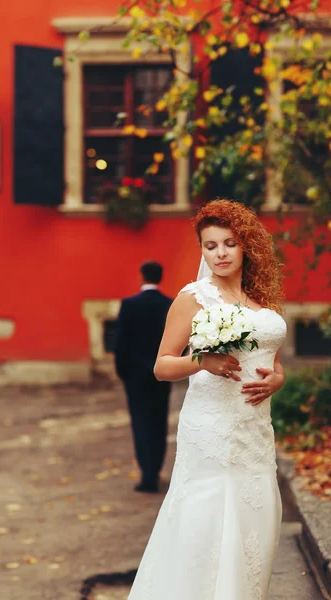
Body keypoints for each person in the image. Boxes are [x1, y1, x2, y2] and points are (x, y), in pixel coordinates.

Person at [127, 199, 287, 600]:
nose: (220, 253)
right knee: (207, 524)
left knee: (256, 522)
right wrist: (202, 360)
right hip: (211, 429)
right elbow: (162, 366)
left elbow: (274, 364)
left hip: (254, 431)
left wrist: (277, 381)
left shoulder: (260, 297)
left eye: (229, 243)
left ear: (245, 245)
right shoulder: (193, 298)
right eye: (210, 245)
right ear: (202, 249)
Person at [114, 261, 173, 493]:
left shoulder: (129, 305)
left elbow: (120, 344)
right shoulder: (169, 305)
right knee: (159, 422)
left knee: (140, 423)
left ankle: (147, 475)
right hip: (162, 374)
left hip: (135, 376)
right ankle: (156, 471)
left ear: (141, 276)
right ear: (161, 277)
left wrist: (123, 372)